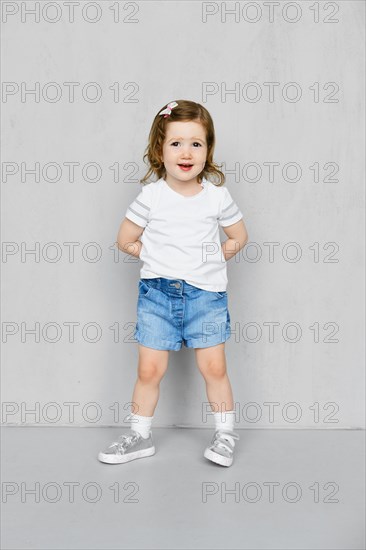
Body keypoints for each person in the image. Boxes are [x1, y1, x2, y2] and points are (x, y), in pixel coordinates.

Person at [98, 100, 248, 467]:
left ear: (208, 149)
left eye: (196, 144)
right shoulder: (152, 196)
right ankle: (139, 435)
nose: (186, 152)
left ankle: (226, 433)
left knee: (214, 368)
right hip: (158, 297)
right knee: (149, 370)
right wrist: (155, 257)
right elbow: (125, 239)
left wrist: (213, 257)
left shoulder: (216, 196)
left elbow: (238, 236)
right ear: (159, 149)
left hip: (205, 297)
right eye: (176, 143)